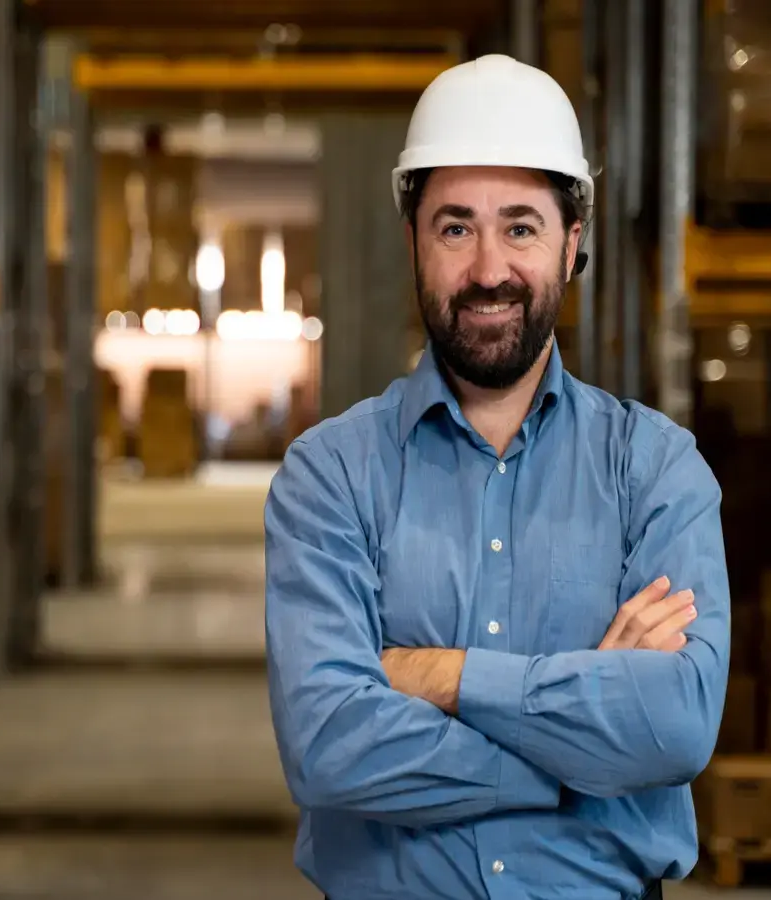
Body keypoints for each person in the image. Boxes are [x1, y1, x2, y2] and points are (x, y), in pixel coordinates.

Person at [263, 54, 729, 900]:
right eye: (454, 228)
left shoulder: (657, 471)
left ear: (571, 242)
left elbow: (674, 727)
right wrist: (581, 744)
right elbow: (329, 746)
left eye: (520, 227)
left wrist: (438, 676)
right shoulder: (329, 477)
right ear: (412, 238)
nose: (487, 270)